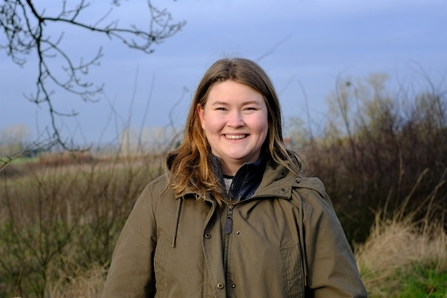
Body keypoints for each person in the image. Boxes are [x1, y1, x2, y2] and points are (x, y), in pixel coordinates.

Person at [102, 58, 367, 297]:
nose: (236, 121)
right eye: (222, 109)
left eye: (250, 108)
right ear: (202, 117)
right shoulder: (158, 199)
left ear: (269, 116)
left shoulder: (305, 201)